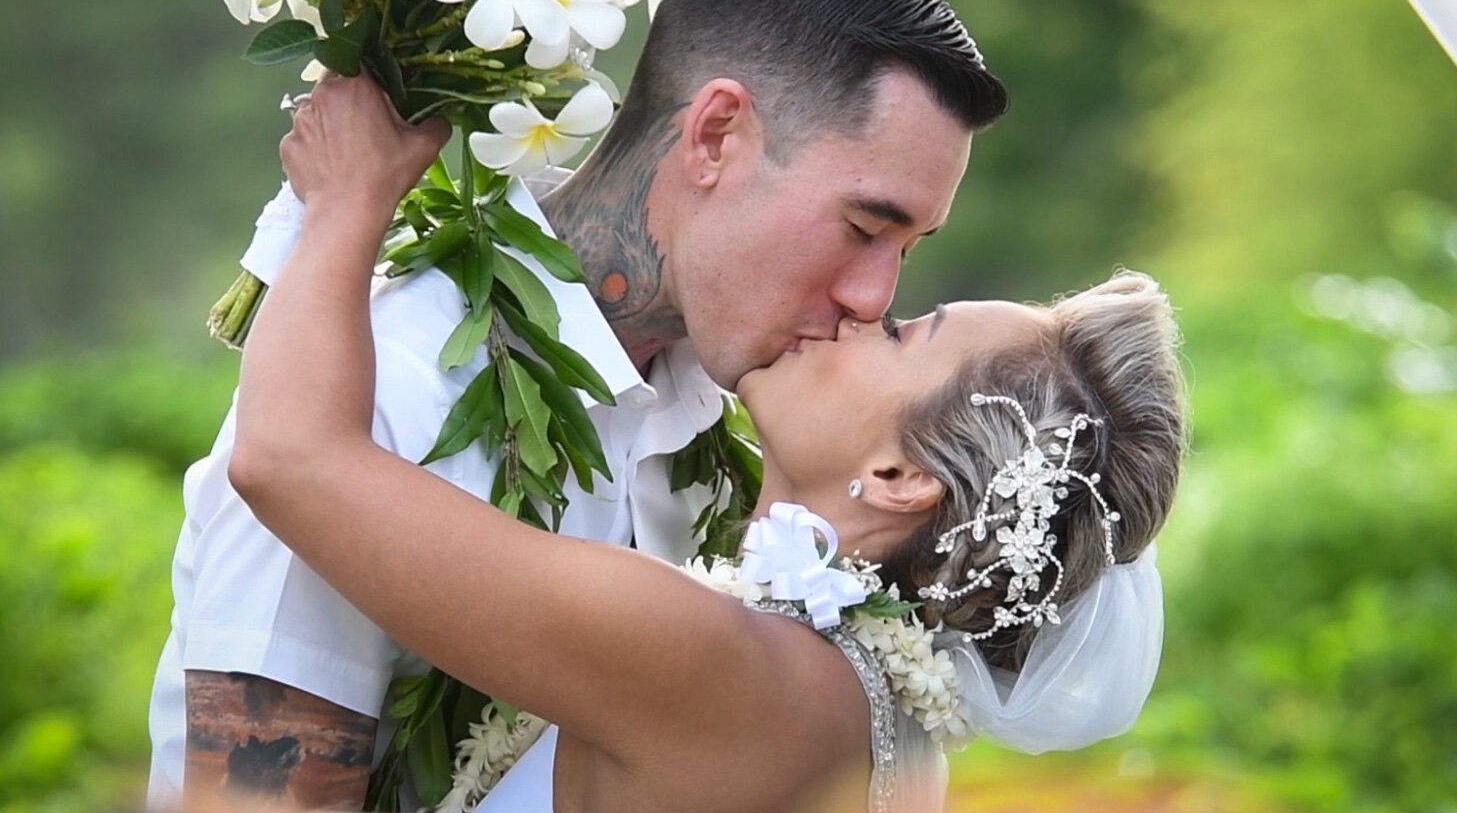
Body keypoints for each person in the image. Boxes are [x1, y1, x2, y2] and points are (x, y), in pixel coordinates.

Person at [147, 0, 1009, 809]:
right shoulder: (390, 383)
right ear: (717, 135)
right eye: (864, 227)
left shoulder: (749, 452)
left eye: (905, 250)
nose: (874, 298)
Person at [224, 83, 1185, 813]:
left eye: (902, 335)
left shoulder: (724, 665)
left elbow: (292, 459)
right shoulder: (887, 730)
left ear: (900, 477)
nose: (865, 308)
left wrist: (344, 201)